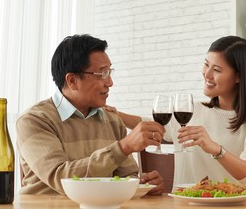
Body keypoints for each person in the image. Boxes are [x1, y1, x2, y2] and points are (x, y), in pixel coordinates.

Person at [109, 35, 246, 189]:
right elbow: (154, 126)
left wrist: (216, 149)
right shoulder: (193, 110)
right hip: (184, 205)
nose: (207, 74)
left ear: (238, 77)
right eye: (206, 64)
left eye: (216, 70)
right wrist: (116, 115)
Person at [16, 34, 165, 195]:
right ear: (72, 80)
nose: (110, 83)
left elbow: (125, 175)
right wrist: (124, 147)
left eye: (109, 72)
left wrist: (140, 184)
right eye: (102, 74)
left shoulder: (112, 120)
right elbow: (61, 177)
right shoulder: (34, 120)